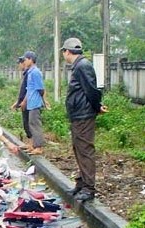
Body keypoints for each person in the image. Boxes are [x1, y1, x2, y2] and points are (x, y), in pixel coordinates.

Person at [61, 37, 107, 202]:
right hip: (78, 115)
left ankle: (89, 188)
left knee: (85, 150)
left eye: (63, 52)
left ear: (67, 51)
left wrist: (96, 106)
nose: (63, 55)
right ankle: (81, 183)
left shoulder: (83, 66)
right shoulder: (79, 66)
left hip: (83, 115)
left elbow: (92, 90)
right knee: (78, 148)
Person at [19, 51, 47, 155]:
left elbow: (40, 89)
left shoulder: (35, 72)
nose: (24, 62)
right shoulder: (30, 72)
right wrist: (24, 101)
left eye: (25, 59)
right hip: (30, 103)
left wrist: (43, 101)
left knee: (35, 125)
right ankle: (33, 145)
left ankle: (38, 147)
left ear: (31, 59)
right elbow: (29, 89)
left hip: (35, 103)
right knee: (31, 124)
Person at [10, 56, 32, 150]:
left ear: (23, 63)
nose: (19, 66)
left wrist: (23, 101)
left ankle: (33, 144)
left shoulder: (30, 74)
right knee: (26, 123)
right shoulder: (26, 74)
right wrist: (18, 102)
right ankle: (31, 143)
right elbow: (23, 90)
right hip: (24, 102)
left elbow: (29, 89)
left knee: (29, 123)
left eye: (20, 63)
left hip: (28, 102)